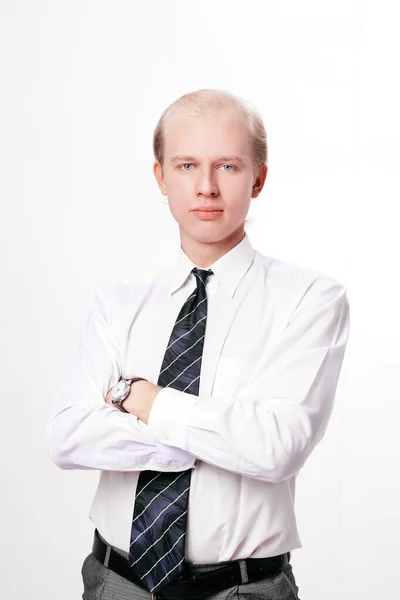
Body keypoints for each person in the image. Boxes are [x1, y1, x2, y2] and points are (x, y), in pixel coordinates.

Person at [47, 88, 350, 600]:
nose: (206, 187)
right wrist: (223, 436)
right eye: (186, 165)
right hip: (115, 583)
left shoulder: (311, 300)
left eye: (227, 166)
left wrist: (141, 400)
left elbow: (278, 447)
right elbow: (68, 437)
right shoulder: (119, 305)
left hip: (243, 591)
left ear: (259, 178)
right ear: (161, 177)